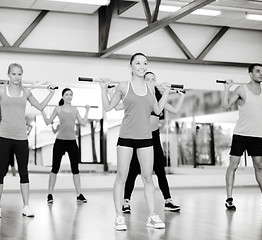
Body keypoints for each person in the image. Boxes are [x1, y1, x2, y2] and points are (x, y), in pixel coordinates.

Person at [0, 63, 55, 218]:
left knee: (24, 172)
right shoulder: (2, 91)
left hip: (21, 138)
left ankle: (26, 206)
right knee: (0, 172)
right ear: (8, 75)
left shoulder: (26, 92)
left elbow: (41, 106)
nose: (17, 77)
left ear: (22, 75)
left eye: (19, 74)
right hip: (4, 137)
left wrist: (51, 93)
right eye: (14, 74)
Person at [100, 53, 170, 231]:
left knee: (148, 178)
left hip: (146, 138)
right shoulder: (124, 86)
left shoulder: (150, 87)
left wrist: (167, 92)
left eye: (145, 63)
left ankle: (152, 216)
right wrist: (103, 88)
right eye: (138, 63)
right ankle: (119, 216)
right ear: (130, 66)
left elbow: (157, 109)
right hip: (126, 138)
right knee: (121, 177)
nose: (142, 66)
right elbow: (110, 107)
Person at [221, 63, 262, 210]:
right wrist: (226, 88)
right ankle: (229, 199)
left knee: (259, 166)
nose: (261, 74)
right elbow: (226, 106)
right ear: (250, 74)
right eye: (257, 71)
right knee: (234, 166)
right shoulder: (241, 89)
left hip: (256, 135)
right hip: (241, 134)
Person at [121, 71, 185, 213]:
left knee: (160, 171)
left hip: (154, 138)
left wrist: (182, 96)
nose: (150, 81)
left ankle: (168, 201)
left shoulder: (157, 97)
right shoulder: (139, 95)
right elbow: (122, 106)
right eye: (147, 79)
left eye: (152, 79)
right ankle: (126, 201)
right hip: (139, 137)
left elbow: (174, 109)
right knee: (133, 170)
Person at [41, 88, 90, 204]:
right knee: (55, 169)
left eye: (70, 95)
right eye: (67, 95)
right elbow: (48, 122)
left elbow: (83, 123)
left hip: (72, 142)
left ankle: (79, 194)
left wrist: (87, 110)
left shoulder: (75, 109)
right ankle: (49, 194)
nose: (69, 96)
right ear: (63, 96)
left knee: (75, 170)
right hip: (60, 142)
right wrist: (42, 110)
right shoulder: (58, 109)